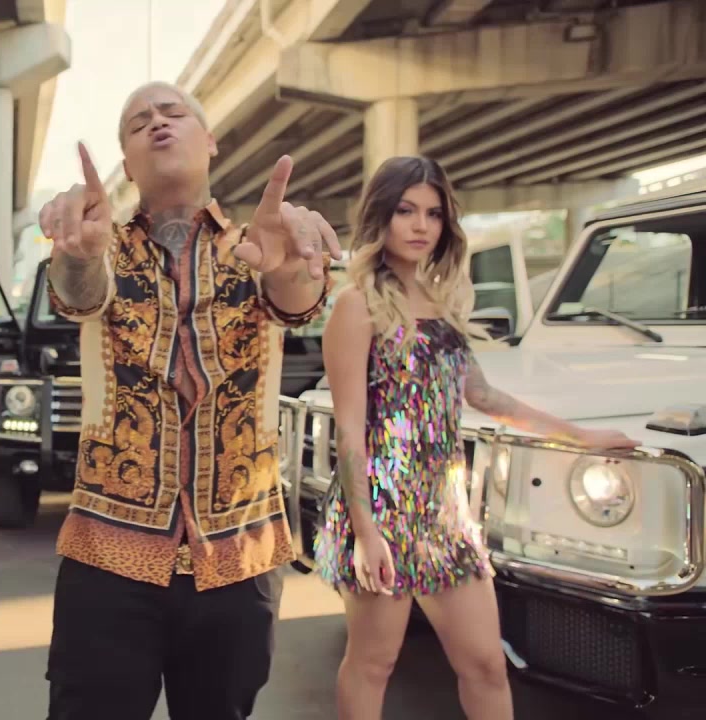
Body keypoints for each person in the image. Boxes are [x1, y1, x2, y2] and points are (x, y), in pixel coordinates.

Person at [37, 80, 343, 720]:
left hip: (238, 555)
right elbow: (80, 291)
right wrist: (77, 255)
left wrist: (289, 267)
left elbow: (293, 300)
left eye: (173, 113)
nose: (157, 122)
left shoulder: (260, 243)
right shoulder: (104, 244)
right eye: (138, 122)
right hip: (108, 556)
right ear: (127, 165)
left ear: (210, 141)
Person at [312, 156, 638, 720]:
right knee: (374, 663)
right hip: (381, 508)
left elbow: (485, 396)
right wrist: (365, 532)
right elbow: (349, 430)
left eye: (434, 214)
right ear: (381, 217)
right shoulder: (356, 304)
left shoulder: (441, 302)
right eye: (406, 211)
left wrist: (581, 437)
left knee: (486, 664)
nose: (421, 225)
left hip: (444, 513)